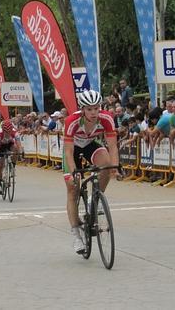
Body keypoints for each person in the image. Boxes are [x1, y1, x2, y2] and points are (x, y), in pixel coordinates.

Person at [62, 90, 119, 255]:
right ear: (83, 109)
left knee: (106, 165)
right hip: (72, 148)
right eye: (90, 109)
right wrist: (74, 173)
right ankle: (76, 236)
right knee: (73, 187)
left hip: (89, 144)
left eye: (96, 108)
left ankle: (94, 198)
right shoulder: (72, 121)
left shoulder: (106, 118)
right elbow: (68, 151)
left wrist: (114, 167)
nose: (94, 112)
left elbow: (112, 145)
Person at [0, 119, 23, 194]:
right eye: (6, 132)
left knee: (15, 149)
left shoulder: (15, 133)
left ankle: (13, 166)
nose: (7, 133)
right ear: (3, 130)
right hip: (1, 146)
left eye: (9, 131)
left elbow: (19, 145)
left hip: (10, 144)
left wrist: (21, 152)